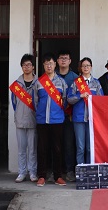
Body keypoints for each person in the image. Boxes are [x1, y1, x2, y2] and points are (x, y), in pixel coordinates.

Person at [36, 54, 68, 187]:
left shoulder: (61, 82)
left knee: (57, 149)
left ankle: (57, 176)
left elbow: (65, 100)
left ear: (55, 64)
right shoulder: (38, 82)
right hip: (42, 120)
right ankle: (41, 176)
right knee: (42, 149)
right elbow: (35, 101)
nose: (49, 66)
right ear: (43, 66)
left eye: (51, 63)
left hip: (57, 120)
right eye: (46, 64)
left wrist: (58, 112)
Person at [67, 57, 103, 165]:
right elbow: (69, 99)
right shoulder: (76, 82)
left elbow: (101, 100)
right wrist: (80, 96)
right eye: (83, 66)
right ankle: (81, 170)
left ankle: (89, 169)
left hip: (92, 119)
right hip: (79, 118)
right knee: (80, 147)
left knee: (89, 147)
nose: (86, 68)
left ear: (91, 67)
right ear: (81, 68)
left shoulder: (96, 83)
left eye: (88, 66)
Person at [11, 54, 39, 183]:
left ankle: (33, 172)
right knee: (21, 149)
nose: (26, 67)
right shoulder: (16, 85)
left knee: (32, 149)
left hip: (33, 120)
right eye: (24, 65)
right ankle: (22, 172)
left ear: (33, 67)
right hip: (20, 120)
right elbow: (14, 103)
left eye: (29, 65)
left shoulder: (39, 83)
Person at [57, 51, 78, 181]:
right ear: (57, 61)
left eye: (66, 58)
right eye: (61, 58)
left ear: (70, 61)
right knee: (55, 144)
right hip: (54, 116)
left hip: (69, 116)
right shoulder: (51, 77)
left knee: (69, 144)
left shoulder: (76, 78)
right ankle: (56, 171)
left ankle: (70, 170)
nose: (63, 60)